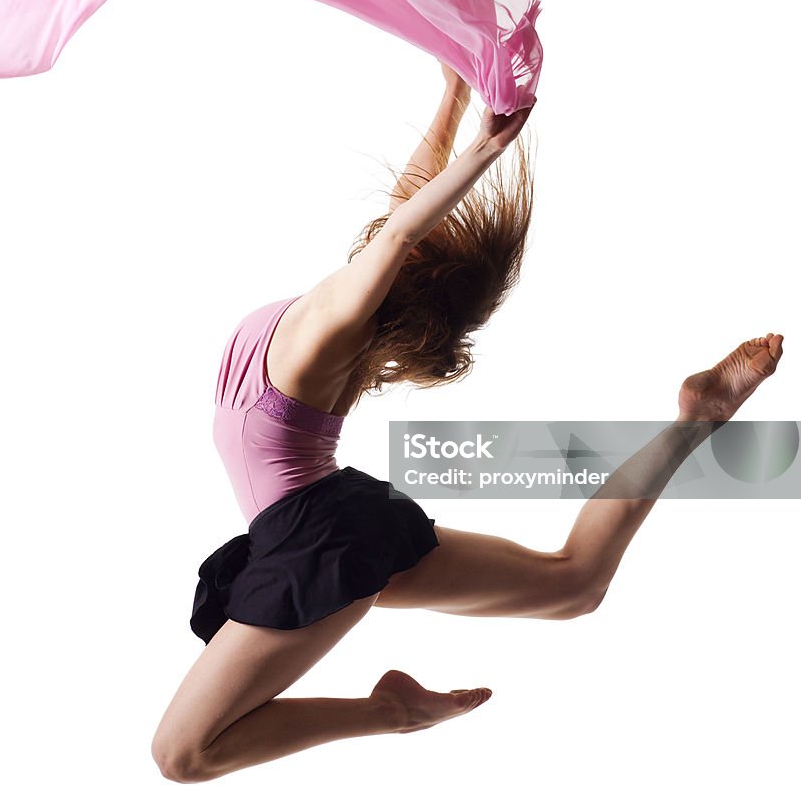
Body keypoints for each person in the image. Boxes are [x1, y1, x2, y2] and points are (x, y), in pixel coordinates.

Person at [150, 64, 784, 782]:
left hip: (322, 540)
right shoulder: (338, 305)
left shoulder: (329, 329)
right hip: (330, 525)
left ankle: (389, 715)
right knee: (573, 586)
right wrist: (452, 92)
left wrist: (485, 150)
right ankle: (697, 418)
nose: (404, 231)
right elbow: (398, 224)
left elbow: (395, 238)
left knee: (183, 754)